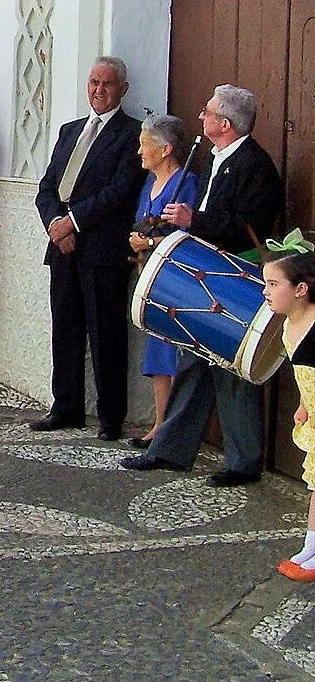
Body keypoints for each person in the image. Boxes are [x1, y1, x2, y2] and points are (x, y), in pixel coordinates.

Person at [121, 84, 284, 484]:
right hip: (208, 273)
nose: (201, 117)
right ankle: (170, 450)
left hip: (234, 282)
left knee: (234, 369)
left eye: (208, 112)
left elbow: (249, 227)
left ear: (224, 124)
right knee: (193, 364)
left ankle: (243, 463)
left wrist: (193, 220)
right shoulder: (215, 157)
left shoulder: (255, 165)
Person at [31, 57, 145, 441]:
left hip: (102, 248)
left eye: (107, 84)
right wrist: (55, 224)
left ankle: (111, 416)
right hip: (63, 246)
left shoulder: (132, 134)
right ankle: (66, 407)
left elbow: (120, 191)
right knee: (65, 329)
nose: (99, 90)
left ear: (122, 89)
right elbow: (48, 186)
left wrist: (74, 221)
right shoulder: (70, 130)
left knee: (105, 332)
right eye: (93, 82)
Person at [125, 115, 197, 448]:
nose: (140, 151)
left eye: (145, 145)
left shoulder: (186, 182)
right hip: (151, 277)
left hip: (175, 278)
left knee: (171, 350)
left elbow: (186, 233)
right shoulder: (149, 182)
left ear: (165, 149)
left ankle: (172, 429)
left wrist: (151, 242)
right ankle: (159, 424)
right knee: (156, 350)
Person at [262, 238, 315, 581]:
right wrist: (303, 404)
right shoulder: (287, 327)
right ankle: (311, 545)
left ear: (300, 289)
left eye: (273, 284)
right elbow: (305, 374)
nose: (265, 292)